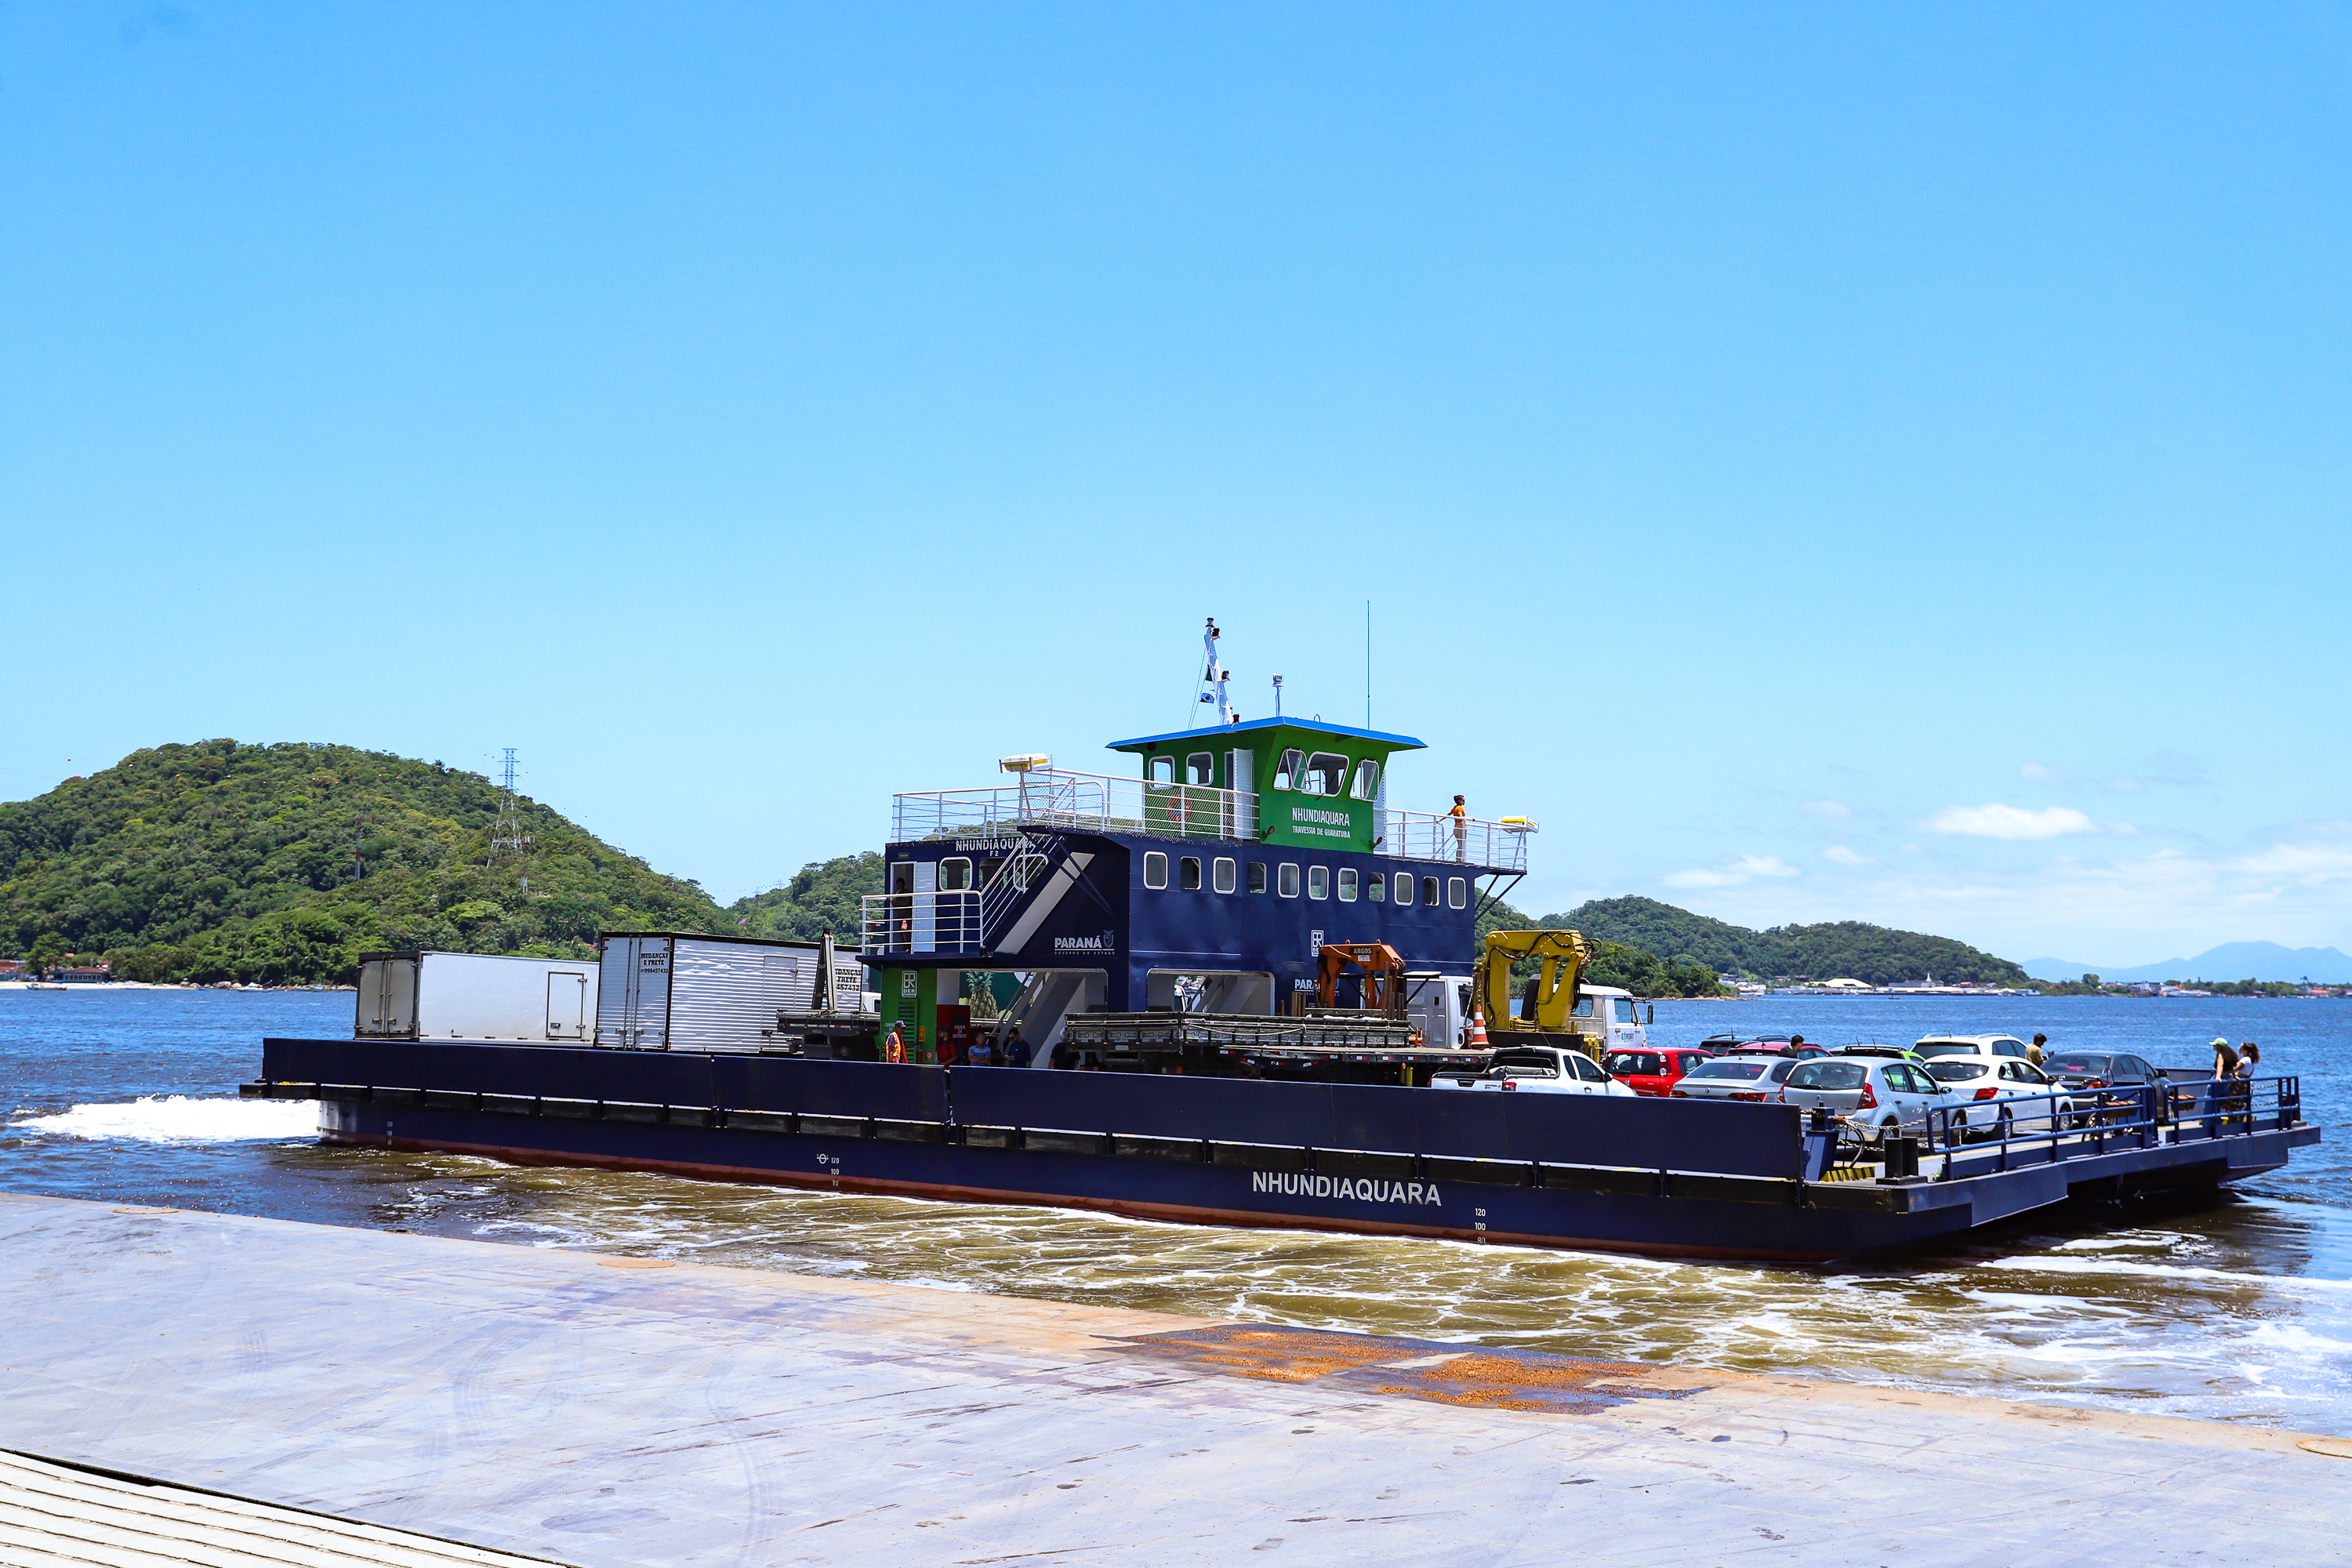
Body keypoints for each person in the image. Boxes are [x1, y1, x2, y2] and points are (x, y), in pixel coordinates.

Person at [1449, 794, 1468, 862]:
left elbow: (1448, 814)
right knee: (1461, 845)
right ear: (1459, 801)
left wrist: (1440, 820)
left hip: (1456, 827)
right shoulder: (1459, 808)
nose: (1464, 801)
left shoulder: (1454, 808)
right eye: (1463, 800)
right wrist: (1469, 818)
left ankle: (1459, 859)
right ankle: (1459, 859)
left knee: (1460, 844)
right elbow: (1460, 816)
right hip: (1460, 827)